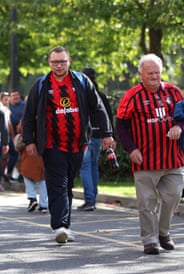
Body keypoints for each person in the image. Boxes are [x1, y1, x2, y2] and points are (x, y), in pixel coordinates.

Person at [22, 46, 114, 244]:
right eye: (55, 62)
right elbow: (29, 115)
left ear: (69, 61)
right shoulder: (41, 85)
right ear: (49, 63)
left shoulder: (81, 81)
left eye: (62, 61)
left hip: (78, 144)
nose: (59, 65)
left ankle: (65, 225)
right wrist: (29, 140)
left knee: (68, 184)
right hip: (51, 144)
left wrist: (106, 134)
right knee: (58, 184)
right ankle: (60, 226)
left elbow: (97, 108)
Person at [116, 53, 184, 255]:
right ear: (141, 74)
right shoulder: (132, 96)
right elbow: (121, 125)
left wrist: (180, 127)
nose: (154, 77)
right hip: (145, 160)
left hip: (173, 158)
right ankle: (150, 240)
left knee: (174, 196)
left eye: (157, 72)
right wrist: (131, 149)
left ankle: (164, 232)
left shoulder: (174, 92)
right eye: (150, 73)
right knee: (147, 203)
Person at [78, 67, 114, 211]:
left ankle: (89, 199)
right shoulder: (101, 95)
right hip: (99, 136)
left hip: (86, 136)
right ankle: (93, 196)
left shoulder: (82, 96)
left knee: (85, 167)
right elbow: (108, 116)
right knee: (93, 166)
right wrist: (109, 135)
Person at [15, 120, 48, 213]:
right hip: (44, 149)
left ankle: (32, 198)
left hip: (29, 150)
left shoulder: (28, 114)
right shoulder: (48, 113)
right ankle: (44, 204)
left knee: (26, 174)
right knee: (43, 178)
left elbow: (19, 128)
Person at [6, 89, 25, 182]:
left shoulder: (24, 105)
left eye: (17, 95)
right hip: (10, 135)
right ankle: (8, 173)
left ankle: (21, 175)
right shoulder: (7, 106)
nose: (15, 97)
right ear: (10, 98)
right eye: (13, 96)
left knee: (22, 156)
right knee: (13, 155)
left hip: (22, 134)